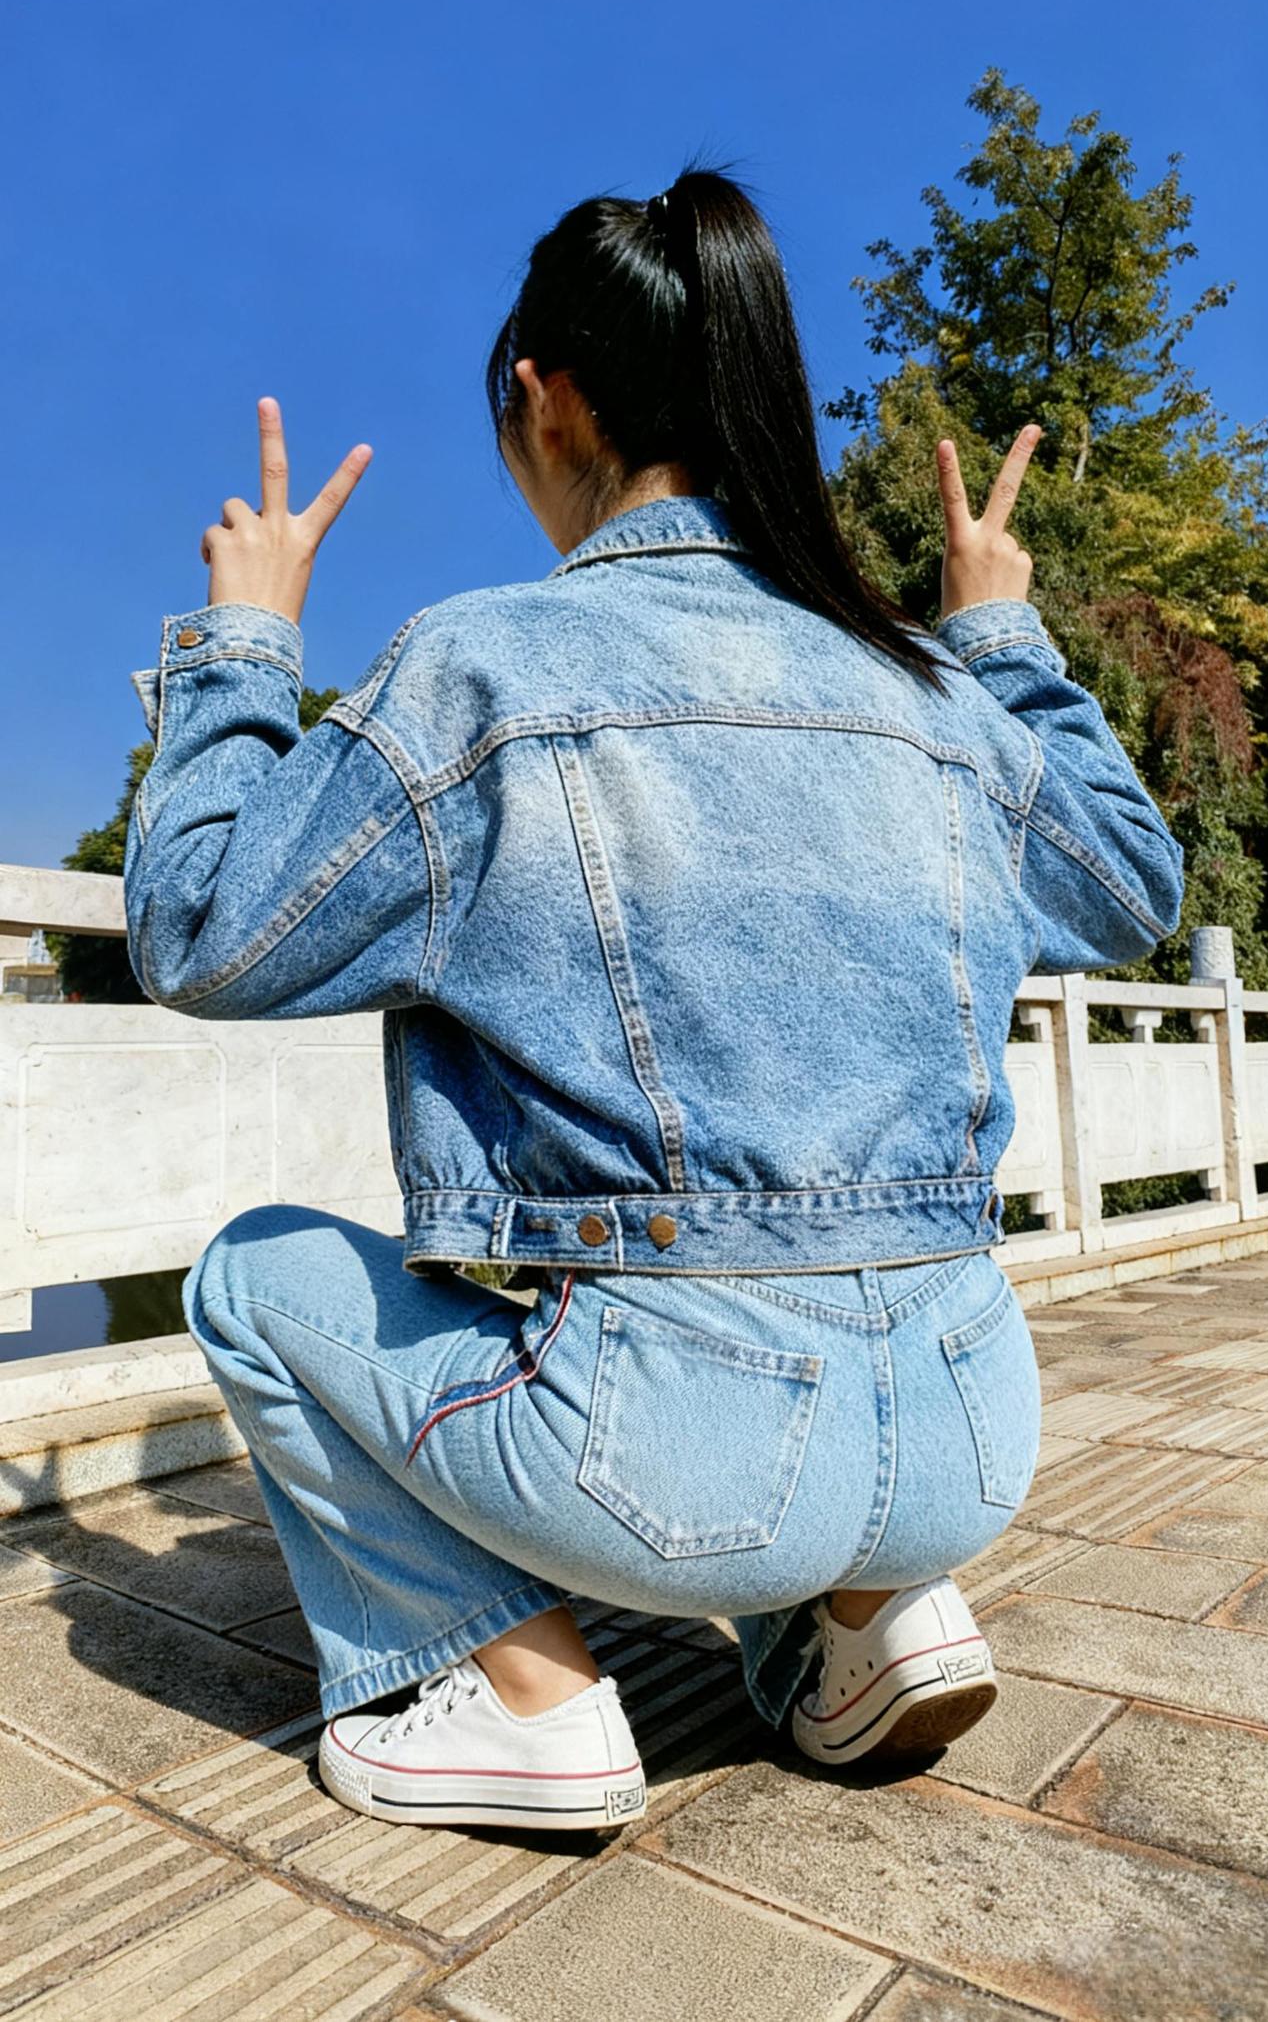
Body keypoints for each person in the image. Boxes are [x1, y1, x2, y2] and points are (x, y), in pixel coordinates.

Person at [124, 164, 1184, 1833]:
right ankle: (865, 1612)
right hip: (971, 1434)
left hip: (666, 1475)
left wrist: (247, 643)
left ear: (545, 399)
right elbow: (1135, 886)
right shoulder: (925, 689)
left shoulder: (482, 668)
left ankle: (531, 1703)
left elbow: (197, 929)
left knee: (254, 1276)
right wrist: (1000, 638)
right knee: (800, 1343)